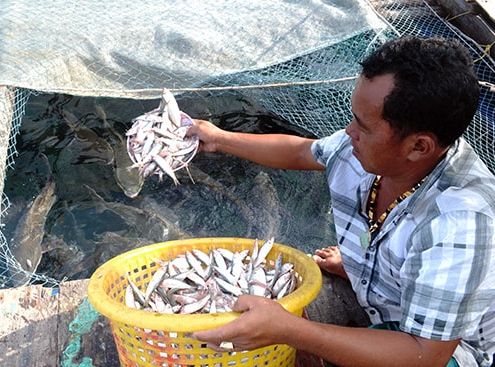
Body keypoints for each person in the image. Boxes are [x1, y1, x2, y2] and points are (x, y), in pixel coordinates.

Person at [187, 36, 495, 366]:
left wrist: (290, 330)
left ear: (419, 147)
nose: (349, 132)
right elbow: (302, 151)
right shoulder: (364, 151)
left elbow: (425, 356)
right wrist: (218, 138)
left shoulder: (460, 222)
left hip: (451, 352)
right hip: (388, 307)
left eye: (363, 125)